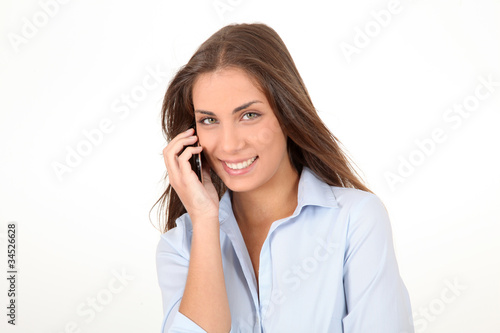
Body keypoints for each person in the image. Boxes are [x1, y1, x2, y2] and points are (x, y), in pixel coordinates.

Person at [153, 23, 415, 333]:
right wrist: (205, 221)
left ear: (286, 113)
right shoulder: (181, 246)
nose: (229, 145)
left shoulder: (355, 221)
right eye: (209, 120)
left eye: (249, 115)